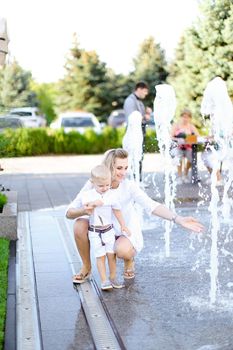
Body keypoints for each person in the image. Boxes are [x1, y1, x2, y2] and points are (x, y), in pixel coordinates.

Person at [66, 148, 204, 283]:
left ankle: (129, 259)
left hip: (123, 230)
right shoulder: (94, 184)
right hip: (101, 230)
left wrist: (178, 219)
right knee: (79, 225)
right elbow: (69, 212)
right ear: (108, 167)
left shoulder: (128, 186)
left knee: (122, 250)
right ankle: (86, 266)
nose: (124, 173)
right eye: (119, 168)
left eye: (126, 168)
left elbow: (152, 205)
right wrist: (84, 211)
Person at [71, 164, 130, 290]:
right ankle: (104, 280)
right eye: (101, 186)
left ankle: (113, 277)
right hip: (94, 231)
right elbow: (85, 206)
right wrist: (89, 206)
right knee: (100, 256)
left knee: (111, 254)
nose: (104, 188)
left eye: (107, 185)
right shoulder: (87, 195)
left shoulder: (111, 195)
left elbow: (117, 210)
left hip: (108, 230)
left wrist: (123, 225)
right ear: (93, 183)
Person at [123, 81, 152, 182]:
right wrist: (145, 116)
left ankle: (138, 180)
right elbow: (132, 118)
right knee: (133, 156)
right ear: (139, 89)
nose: (146, 94)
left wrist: (146, 114)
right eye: (144, 91)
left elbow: (141, 116)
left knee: (140, 156)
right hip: (133, 133)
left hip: (140, 131)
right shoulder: (130, 101)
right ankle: (133, 180)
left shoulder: (139, 101)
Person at [170, 109, 199, 184]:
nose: (185, 119)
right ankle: (179, 176)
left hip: (188, 147)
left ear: (190, 118)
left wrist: (188, 139)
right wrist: (178, 139)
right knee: (178, 158)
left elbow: (198, 137)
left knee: (191, 159)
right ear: (181, 117)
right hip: (178, 147)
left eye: (187, 117)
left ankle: (185, 174)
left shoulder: (191, 126)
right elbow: (171, 137)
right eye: (184, 117)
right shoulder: (176, 125)